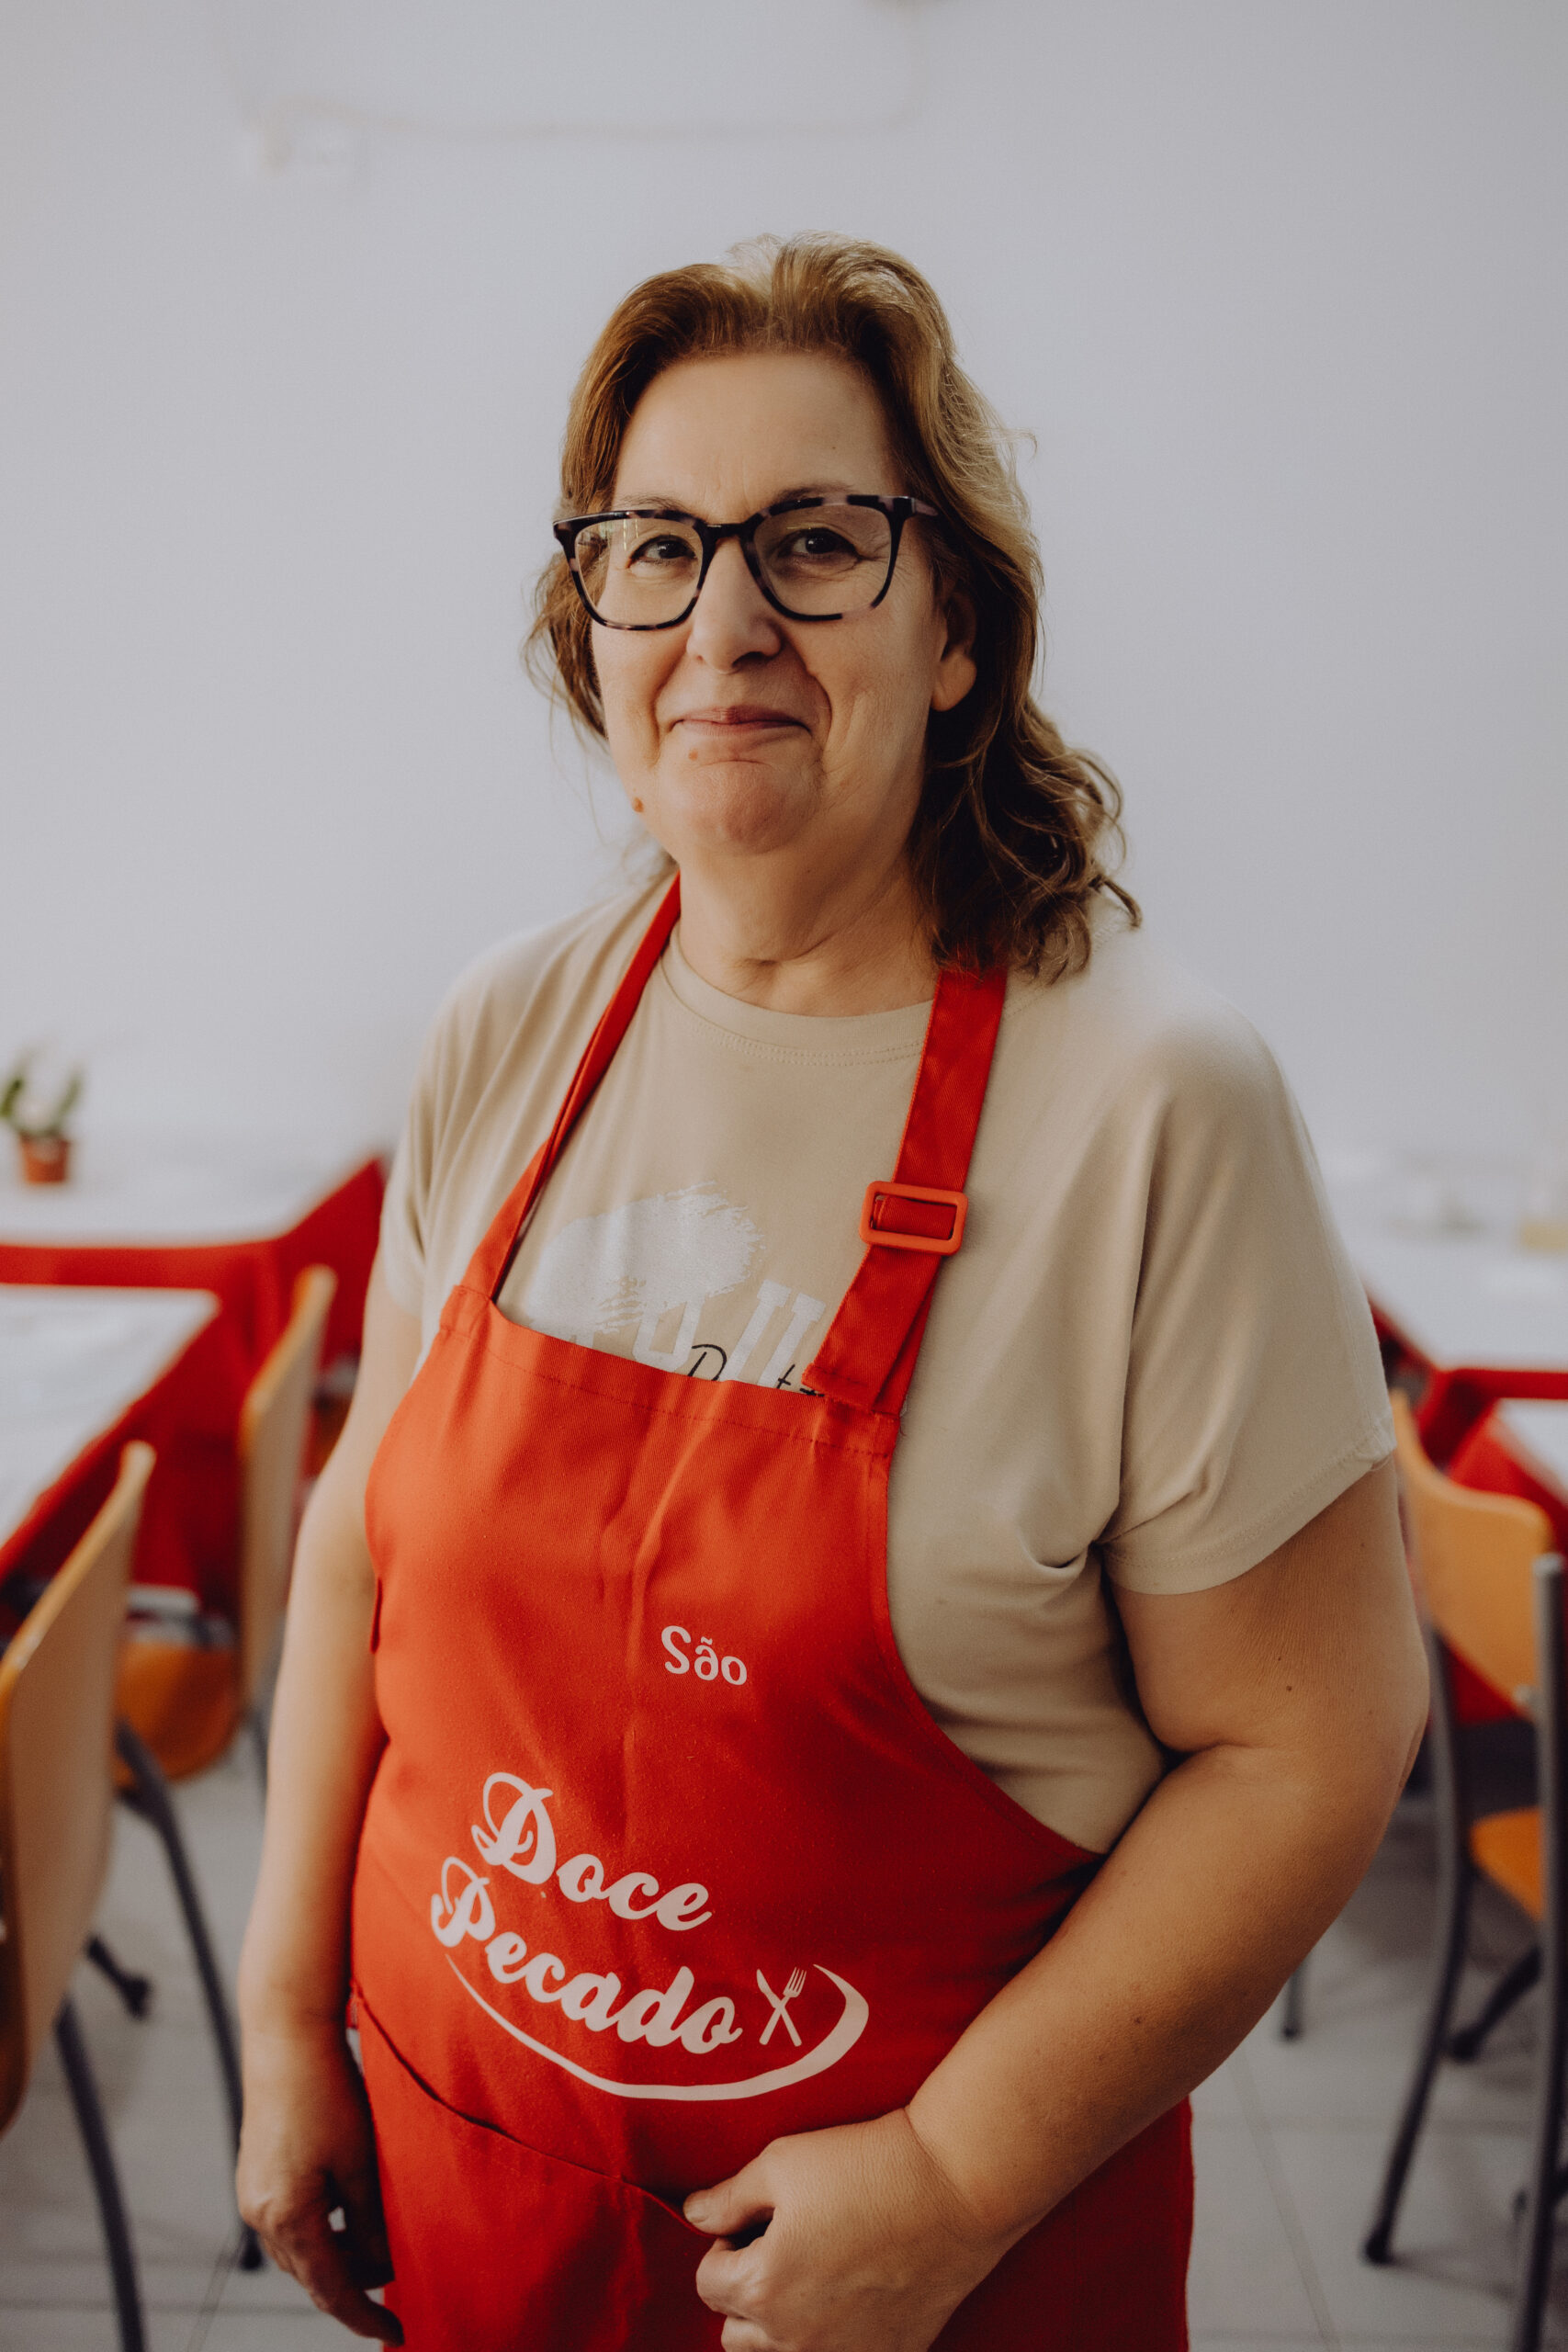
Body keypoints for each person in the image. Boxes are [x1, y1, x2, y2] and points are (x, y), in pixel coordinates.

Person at [236, 235, 1427, 2351]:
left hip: (915, 2284)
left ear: (951, 623)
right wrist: (281, 2012)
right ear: (590, 621)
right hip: (472, 2195)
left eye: (809, 542)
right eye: (654, 549)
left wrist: (954, 2174)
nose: (722, 624)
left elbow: (1305, 1747)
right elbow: (355, 1554)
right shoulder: (507, 1029)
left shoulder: (1150, 1099)